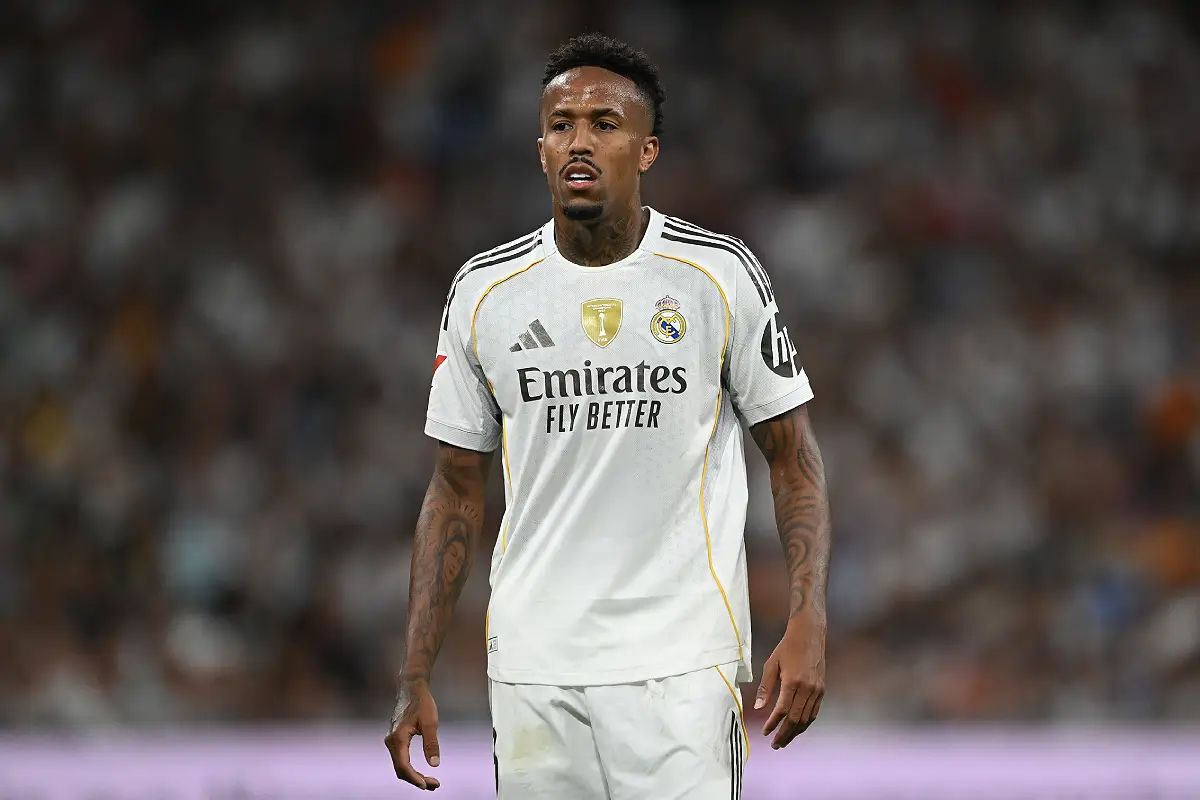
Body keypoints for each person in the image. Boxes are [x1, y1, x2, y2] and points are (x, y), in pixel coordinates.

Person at [384, 32, 832, 798]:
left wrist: (809, 618)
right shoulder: (485, 292)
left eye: (604, 123)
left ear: (647, 150)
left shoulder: (716, 275)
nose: (580, 141)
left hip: (681, 665)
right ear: (540, 150)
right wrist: (415, 670)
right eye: (561, 125)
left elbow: (793, 458)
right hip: (533, 666)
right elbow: (455, 487)